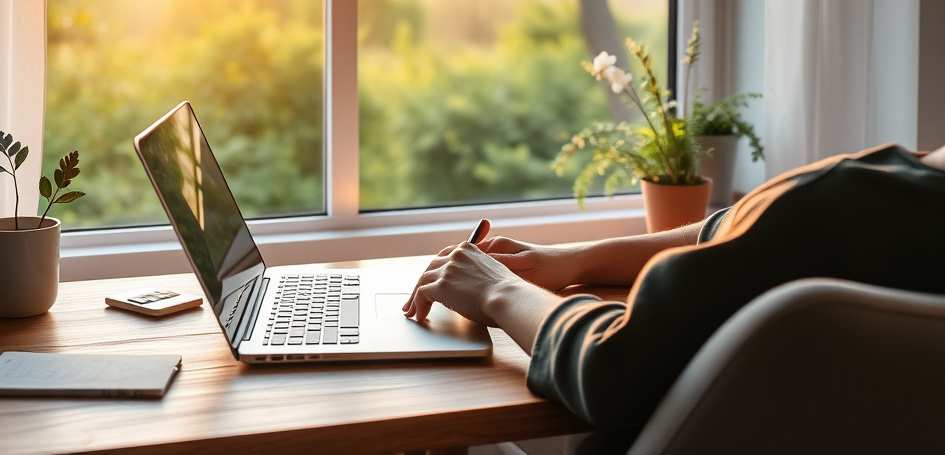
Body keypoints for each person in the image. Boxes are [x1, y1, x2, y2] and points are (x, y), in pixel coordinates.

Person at [403, 143, 945, 452]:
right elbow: (742, 232)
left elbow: (610, 367)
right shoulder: (900, 200)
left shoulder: (842, 201)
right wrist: (581, 258)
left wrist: (499, 289)